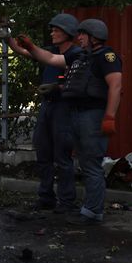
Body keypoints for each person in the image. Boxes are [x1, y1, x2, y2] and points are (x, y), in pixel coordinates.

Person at [17, 19, 122, 225]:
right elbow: (50, 58)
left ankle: (92, 212)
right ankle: (88, 210)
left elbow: (116, 85)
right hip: (77, 113)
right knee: (84, 162)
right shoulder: (83, 57)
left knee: (91, 165)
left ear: (94, 37)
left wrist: (110, 116)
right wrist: (30, 47)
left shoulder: (106, 57)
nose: (79, 37)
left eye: (83, 34)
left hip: (93, 114)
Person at [8, 13, 81, 213]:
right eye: (52, 29)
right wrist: (7, 37)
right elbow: (22, 51)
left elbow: (50, 59)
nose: (52, 33)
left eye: (56, 30)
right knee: (43, 152)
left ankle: (66, 202)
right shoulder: (51, 50)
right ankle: (46, 197)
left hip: (64, 108)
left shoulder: (76, 54)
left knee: (62, 156)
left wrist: (58, 87)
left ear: (68, 33)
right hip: (47, 106)